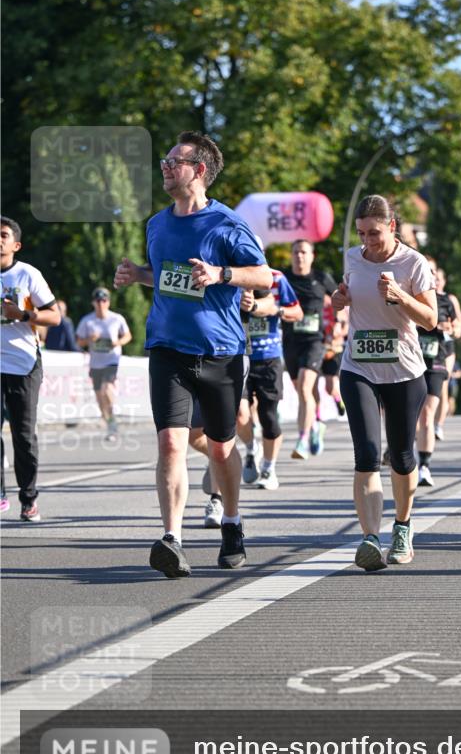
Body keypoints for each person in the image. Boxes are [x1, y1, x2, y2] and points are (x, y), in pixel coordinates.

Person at [114, 131, 271, 578]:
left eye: (174, 161)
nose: (165, 167)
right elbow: (165, 277)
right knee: (170, 442)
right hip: (167, 347)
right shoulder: (157, 224)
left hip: (220, 350)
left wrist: (221, 273)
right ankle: (172, 538)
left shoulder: (228, 224)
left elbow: (262, 276)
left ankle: (233, 524)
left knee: (221, 448)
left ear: (199, 171)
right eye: (164, 161)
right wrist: (138, 275)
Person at [331, 195, 437, 570]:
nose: (368, 241)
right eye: (361, 233)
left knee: (403, 456)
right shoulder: (352, 256)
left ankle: (403, 527)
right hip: (359, 367)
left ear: (391, 226)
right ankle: (370, 538)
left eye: (374, 233)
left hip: (405, 371)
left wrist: (400, 296)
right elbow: (343, 298)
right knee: (366, 454)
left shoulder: (414, 262)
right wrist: (339, 299)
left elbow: (430, 320)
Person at [1, 216, 60, 520]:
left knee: (23, 437)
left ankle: (28, 498)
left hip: (23, 363)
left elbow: (55, 317)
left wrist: (23, 314)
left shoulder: (27, 275)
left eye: (3, 235)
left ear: (16, 244)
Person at [235, 269, 303, 491]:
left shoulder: (276, 278)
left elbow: (298, 312)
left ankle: (269, 467)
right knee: (240, 412)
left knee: (268, 417)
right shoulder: (227, 274)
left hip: (268, 359)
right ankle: (251, 449)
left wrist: (276, 309)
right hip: (238, 355)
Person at [282, 239, 338, 460]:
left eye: (304, 252)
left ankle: (303, 438)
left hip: (315, 341)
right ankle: (316, 424)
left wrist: (340, 325)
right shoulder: (284, 277)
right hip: (290, 341)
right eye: (296, 252)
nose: (299, 256)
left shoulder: (321, 278)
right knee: (303, 391)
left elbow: (340, 302)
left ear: (312, 256)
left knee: (305, 388)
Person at [416, 256, 456, 486]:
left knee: (427, 412)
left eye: (432, 271)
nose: (429, 275)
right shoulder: (409, 298)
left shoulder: (445, 301)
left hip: (436, 360)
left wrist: (450, 327)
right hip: (411, 362)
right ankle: (402, 451)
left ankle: (424, 466)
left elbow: (457, 326)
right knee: (412, 416)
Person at [76, 288, 132, 439]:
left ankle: (112, 420)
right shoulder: (87, 320)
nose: (101, 304)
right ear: (93, 303)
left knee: (107, 388)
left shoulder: (116, 318)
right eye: (98, 301)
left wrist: (118, 342)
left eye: (104, 300)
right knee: (100, 397)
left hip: (111, 360)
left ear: (108, 302)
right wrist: (89, 340)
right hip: (95, 363)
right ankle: (110, 424)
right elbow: (79, 341)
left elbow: (127, 335)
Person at [433, 267, 461, 440]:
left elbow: (459, 324)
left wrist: (453, 328)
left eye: (439, 278)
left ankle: (438, 425)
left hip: (446, 348)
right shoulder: (422, 296)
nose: (436, 281)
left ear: (444, 281)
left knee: (443, 385)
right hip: (426, 347)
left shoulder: (449, 299)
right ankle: (426, 422)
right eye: (434, 278)